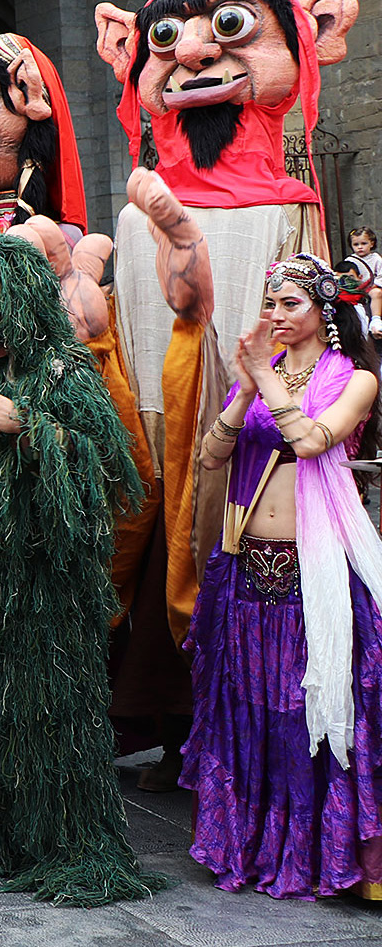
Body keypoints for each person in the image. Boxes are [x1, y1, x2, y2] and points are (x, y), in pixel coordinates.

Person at [0, 231, 164, 906]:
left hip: (47, 592)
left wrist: (29, 426)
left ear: (21, 291)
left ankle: (69, 841)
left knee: (51, 717)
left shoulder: (66, 373)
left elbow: (111, 475)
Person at [184, 253, 382, 898]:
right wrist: (243, 390)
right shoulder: (260, 380)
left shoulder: (354, 380)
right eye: (269, 303)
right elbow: (211, 458)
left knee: (309, 709)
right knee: (251, 708)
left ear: (326, 314)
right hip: (248, 566)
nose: (274, 314)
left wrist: (266, 384)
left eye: (289, 303)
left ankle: (320, 855)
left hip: (316, 571)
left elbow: (313, 443)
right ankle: (253, 844)